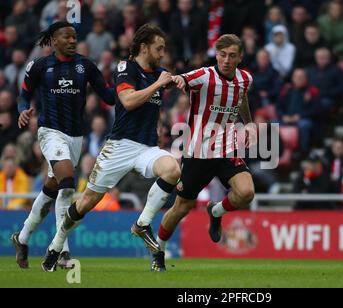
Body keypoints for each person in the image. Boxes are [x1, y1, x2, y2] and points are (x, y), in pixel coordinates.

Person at [40, 24, 181, 272]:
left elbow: (170, 83)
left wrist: (179, 80)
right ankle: (56, 245)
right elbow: (127, 101)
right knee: (86, 202)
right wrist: (158, 84)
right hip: (119, 147)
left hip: (147, 147)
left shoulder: (160, 73)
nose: (162, 54)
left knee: (172, 169)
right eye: (159, 49)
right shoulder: (126, 69)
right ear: (144, 47)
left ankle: (142, 223)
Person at [10, 21, 115, 270]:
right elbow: (23, 95)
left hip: (76, 137)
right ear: (54, 41)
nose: (72, 41)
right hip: (50, 133)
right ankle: (62, 251)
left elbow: (109, 96)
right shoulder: (39, 66)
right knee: (67, 183)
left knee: (52, 188)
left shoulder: (85, 65)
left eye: (74, 37)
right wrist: (23, 110)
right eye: (66, 37)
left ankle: (22, 238)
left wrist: (129, 87)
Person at [154, 34, 256, 271]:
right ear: (216, 55)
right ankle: (157, 250)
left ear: (240, 57)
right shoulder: (203, 76)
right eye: (222, 55)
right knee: (181, 207)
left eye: (232, 55)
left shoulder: (245, 79)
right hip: (198, 153)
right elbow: (181, 79)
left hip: (227, 149)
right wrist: (176, 80)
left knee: (247, 192)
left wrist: (249, 122)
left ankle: (216, 211)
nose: (226, 60)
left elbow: (241, 98)